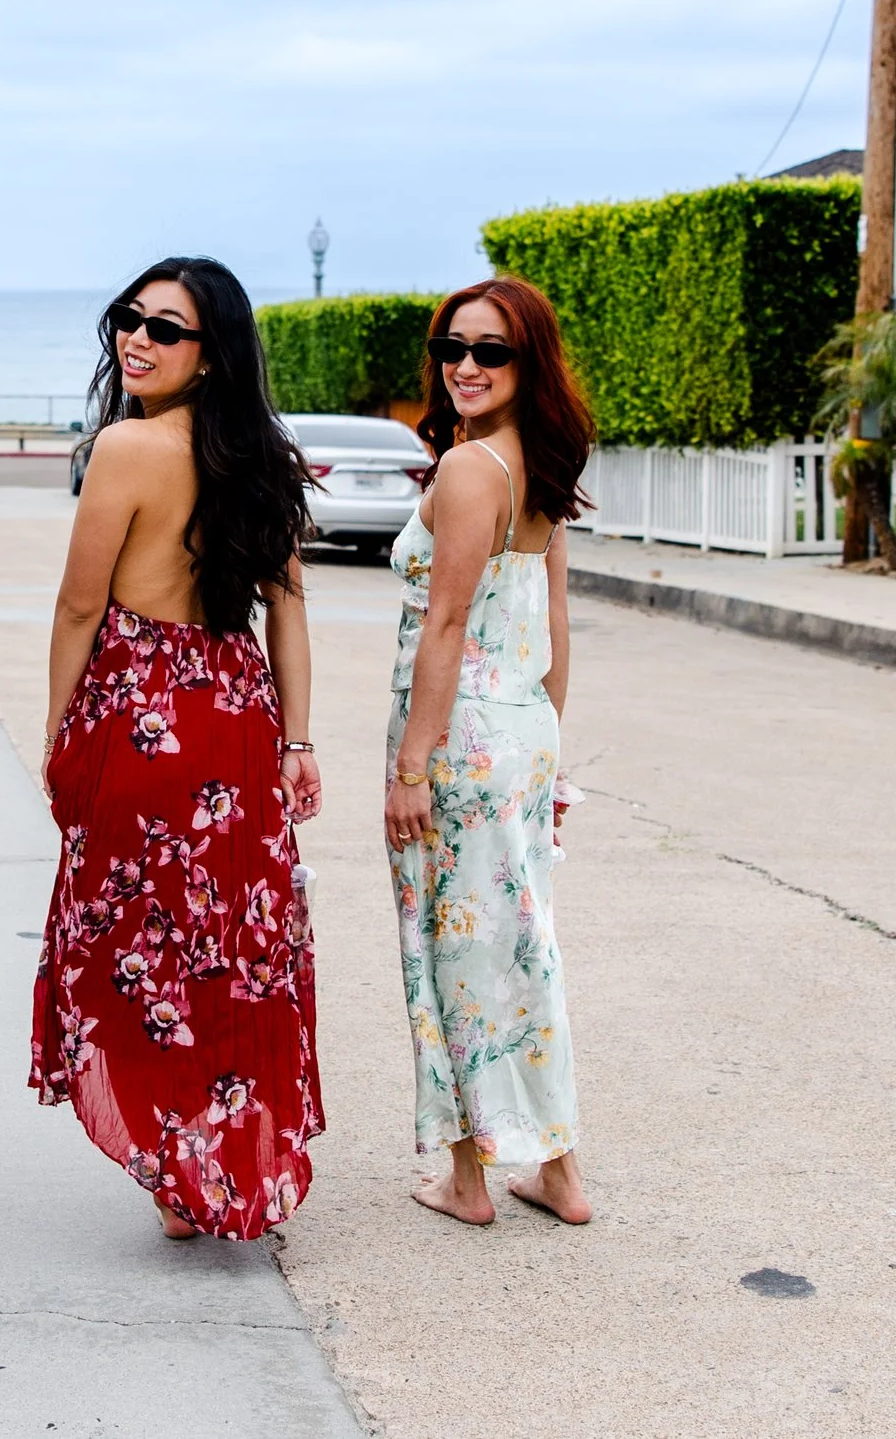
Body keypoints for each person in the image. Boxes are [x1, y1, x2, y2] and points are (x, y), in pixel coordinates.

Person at [30, 257, 324, 1242]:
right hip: (235, 715)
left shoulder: (126, 446)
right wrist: (296, 738)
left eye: (165, 328)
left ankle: (176, 1163)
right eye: (128, 318)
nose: (137, 339)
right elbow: (287, 611)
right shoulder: (263, 456)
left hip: (144, 715)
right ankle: (214, 1153)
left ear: (211, 355)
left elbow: (80, 601)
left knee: (132, 944)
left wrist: (58, 727)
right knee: (228, 944)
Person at [381, 274, 594, 1227]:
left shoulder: (472, 471)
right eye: (451, 350)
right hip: (518, 731)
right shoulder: (536, 465)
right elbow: (554, 625)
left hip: (459, 736)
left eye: (489, 352)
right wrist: (545, 761)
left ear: (527, 363)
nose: (463, 366)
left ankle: (467, 1176)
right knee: (525, 947)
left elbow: (447, 623)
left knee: (452, 950)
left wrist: (411, 766)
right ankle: (557, 1168)